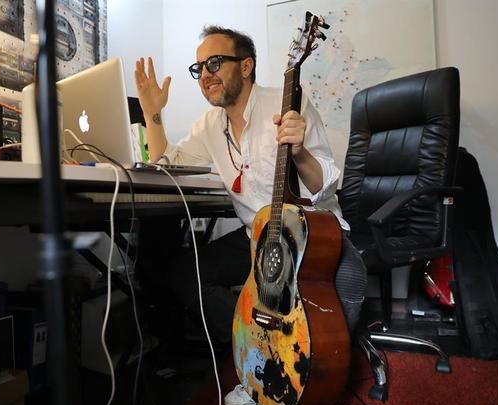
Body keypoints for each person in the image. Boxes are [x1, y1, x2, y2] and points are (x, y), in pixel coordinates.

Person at [134, 26, 366, 345]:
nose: (204, 75)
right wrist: (153, 114)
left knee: (344, 294)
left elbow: (324, 186)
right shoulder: (208, 126)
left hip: (311, 232)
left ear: (246, 66)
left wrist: (299, 152)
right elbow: (165, 165)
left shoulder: (287, 104)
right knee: (184, 274)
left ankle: (290, 354)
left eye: (214, 63)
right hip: (257, 237)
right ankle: (259, 347)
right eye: (198, 68)